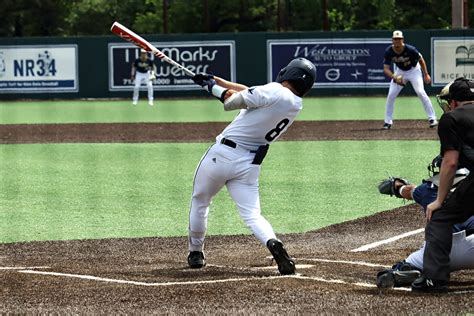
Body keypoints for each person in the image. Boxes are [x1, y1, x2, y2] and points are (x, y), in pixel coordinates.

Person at [186, 58, 316, 275]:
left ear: (289, 72)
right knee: (253, 215)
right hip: (248, 165)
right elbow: (250, 92)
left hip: (221, 156)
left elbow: (231, 101)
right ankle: (273, 243)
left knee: (201, 200)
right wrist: (216, 80)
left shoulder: (274, 90)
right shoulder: (294, 103)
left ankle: (196, 253)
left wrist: (210, 87)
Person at [410, 77, 474, 293]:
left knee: (440, 217)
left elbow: (451, 162)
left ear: (454, 102)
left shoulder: (451, 119)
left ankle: (434, 280)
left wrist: (438, 201)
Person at [376, 155, 474, 289]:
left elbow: (408, 191)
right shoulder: (470, 184)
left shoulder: (426, 188)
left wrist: (396, 186)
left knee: (407, 263)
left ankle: (405, 271)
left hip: (439, 252)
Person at [382, 30, 438, 130]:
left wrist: (426, 74)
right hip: (400, 72)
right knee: (391, 95)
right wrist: (395, 77)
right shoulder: (389, 51)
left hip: (414, 71)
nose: (397, 41)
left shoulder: (410, 49)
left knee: (420, 92)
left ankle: (432, 119)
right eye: (395, 39)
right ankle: (387, 122)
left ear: (402, 39)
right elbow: (386, 69)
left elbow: (421, 59)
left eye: (399, 39)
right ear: (392, 40)